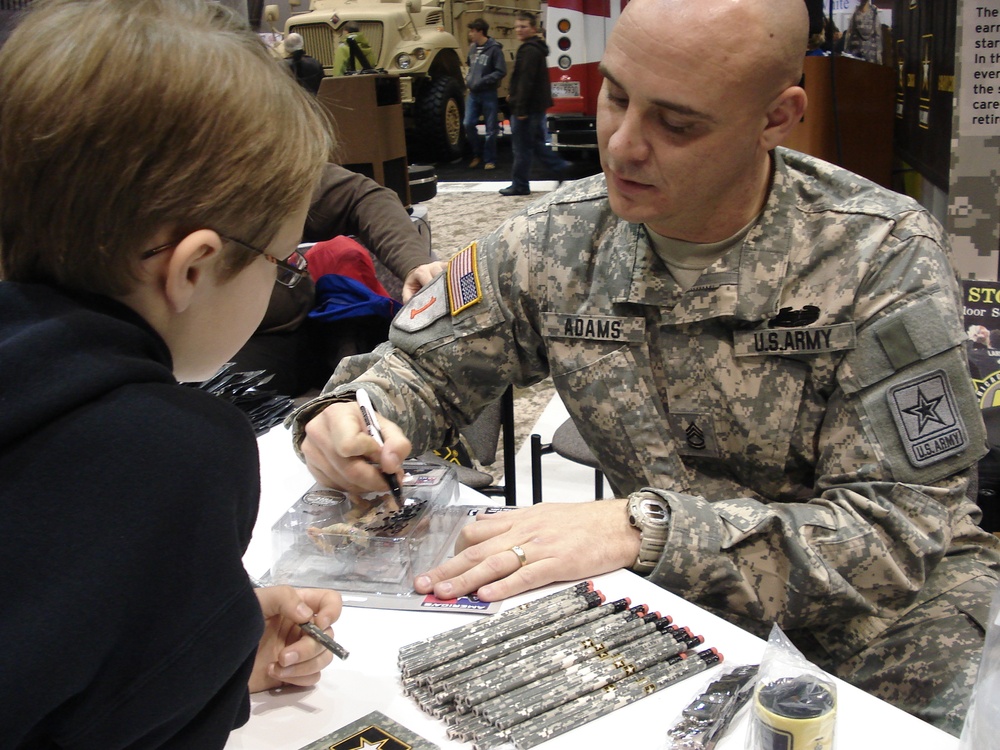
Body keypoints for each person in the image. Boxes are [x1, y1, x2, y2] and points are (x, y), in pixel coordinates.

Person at [291, 0, 1000, 736]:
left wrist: (642, 531)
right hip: (676, 618)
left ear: (777, 118)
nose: (623, 146)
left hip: (883, 637)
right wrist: (354, 417)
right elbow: (421, 369)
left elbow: (896, 536)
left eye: (678, 124)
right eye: (617, 96)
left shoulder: (877, 256)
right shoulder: (555, 241)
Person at [0, 0, 344, 746]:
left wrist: (217, 637)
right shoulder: (175, 453)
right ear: (192, 267)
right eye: (282, 259)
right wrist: (207, 658)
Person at [499, 10, 570, 196]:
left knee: (522, 148)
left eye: (523, 27)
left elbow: (526, 81)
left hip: (527, 108)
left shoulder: (529, 50)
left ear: (532, 28)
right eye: (517, 27)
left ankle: (521, 184)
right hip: (535, 106)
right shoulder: (535, 48)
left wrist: (519, 107)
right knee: (536, 145)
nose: (519, 30)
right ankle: (560, 167)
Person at [464, 18, 507, 170]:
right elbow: (469, 66)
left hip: (488, 92)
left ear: (480, 31)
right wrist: (468, 78)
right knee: (467, 123)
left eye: (472, 31)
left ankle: (490, 159)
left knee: (491, 129)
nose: (470, 34)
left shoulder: (494, 49)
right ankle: (477, 154)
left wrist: (484, 80)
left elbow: (501, 71)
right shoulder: (472, 48)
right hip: (473, 93)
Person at [843, 0, 882, 64]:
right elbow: (878, 36)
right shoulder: (873, 13)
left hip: (862, 54)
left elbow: (849, 35)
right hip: (863, 54)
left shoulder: (855, 13)